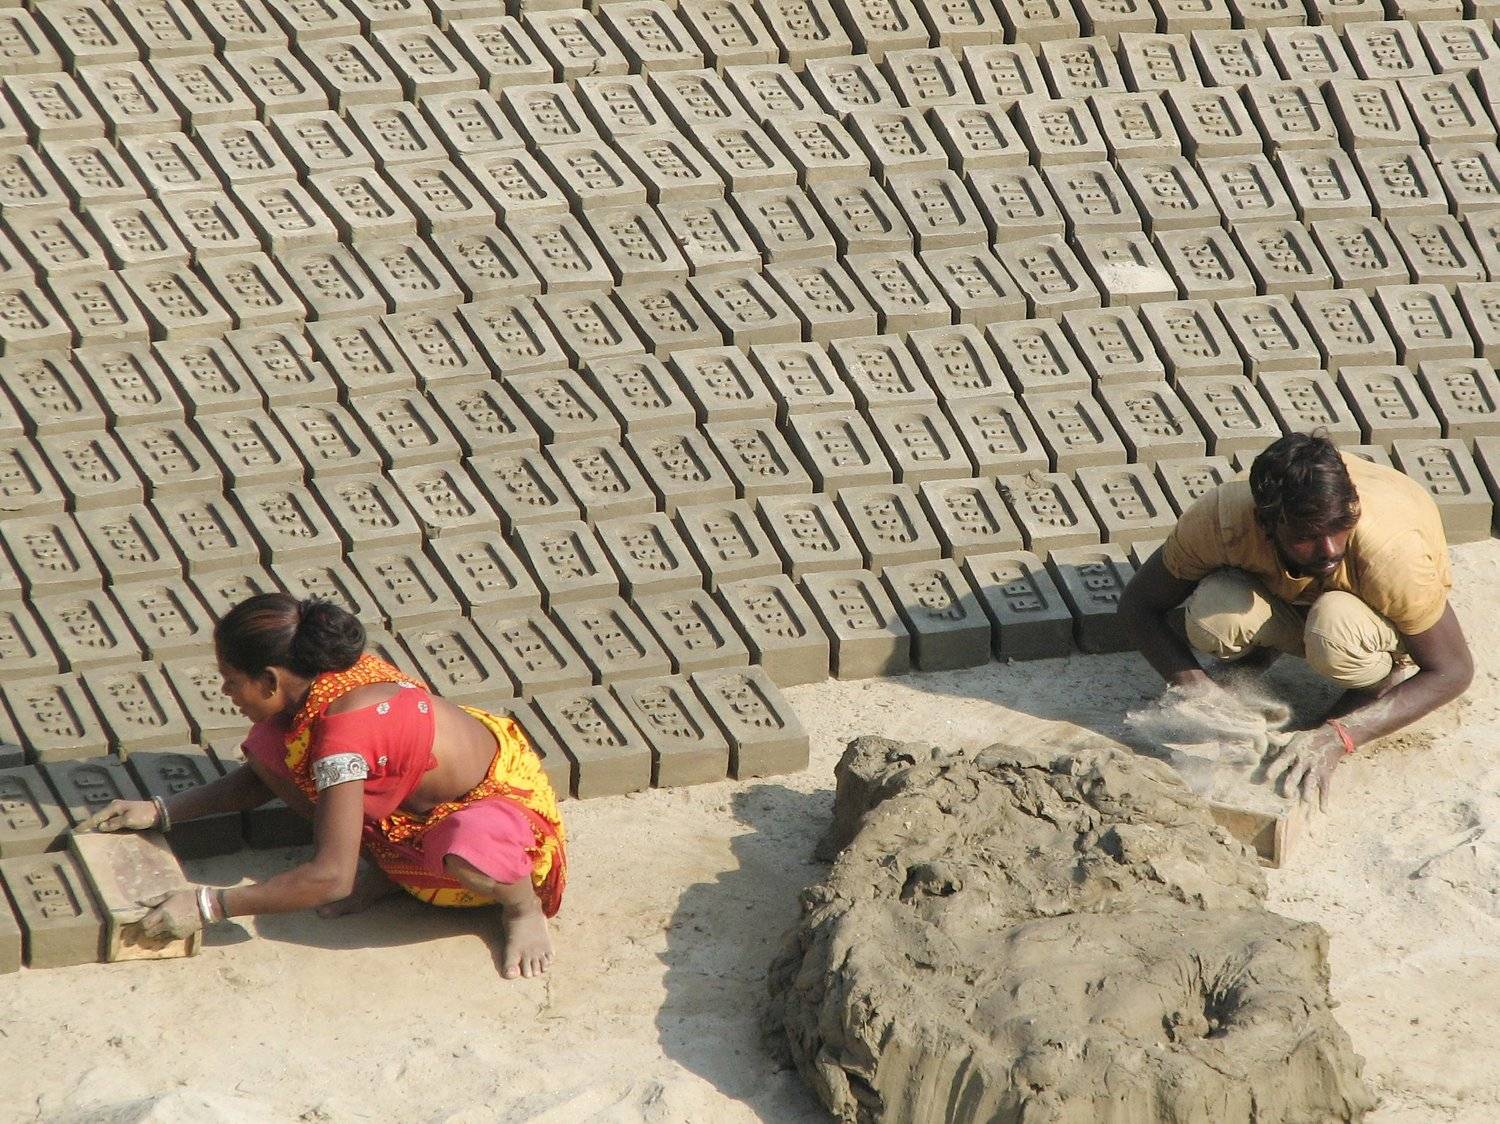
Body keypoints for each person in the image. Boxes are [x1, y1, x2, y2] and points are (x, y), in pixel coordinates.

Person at [83, 593, 567, 979]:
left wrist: (208, 905)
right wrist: (162, 810)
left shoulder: (343, 740)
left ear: (270, 680)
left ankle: (521, 907)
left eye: (231, 681)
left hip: (495, 815)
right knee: (270, 745)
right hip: (410, 807)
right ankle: (395, 873)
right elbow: (261, 778)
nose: (226, 693)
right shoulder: (322, 677)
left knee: (469, 849)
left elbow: (331, 878)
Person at [1119, 432, 1474, 809]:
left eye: (1339, 526)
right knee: (1216, 615)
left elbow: (1453, 670)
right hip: (1292, 596)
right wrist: (1197, 689)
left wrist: (1340, 736)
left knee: (1334, 629)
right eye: (1307, 536)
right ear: (1266, 523)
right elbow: (1138, 606)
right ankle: (1264, 649)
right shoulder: (1222, 522)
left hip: (1363, 616)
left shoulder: (1391, 554)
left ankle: (1377, 679)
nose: (1329, 549)